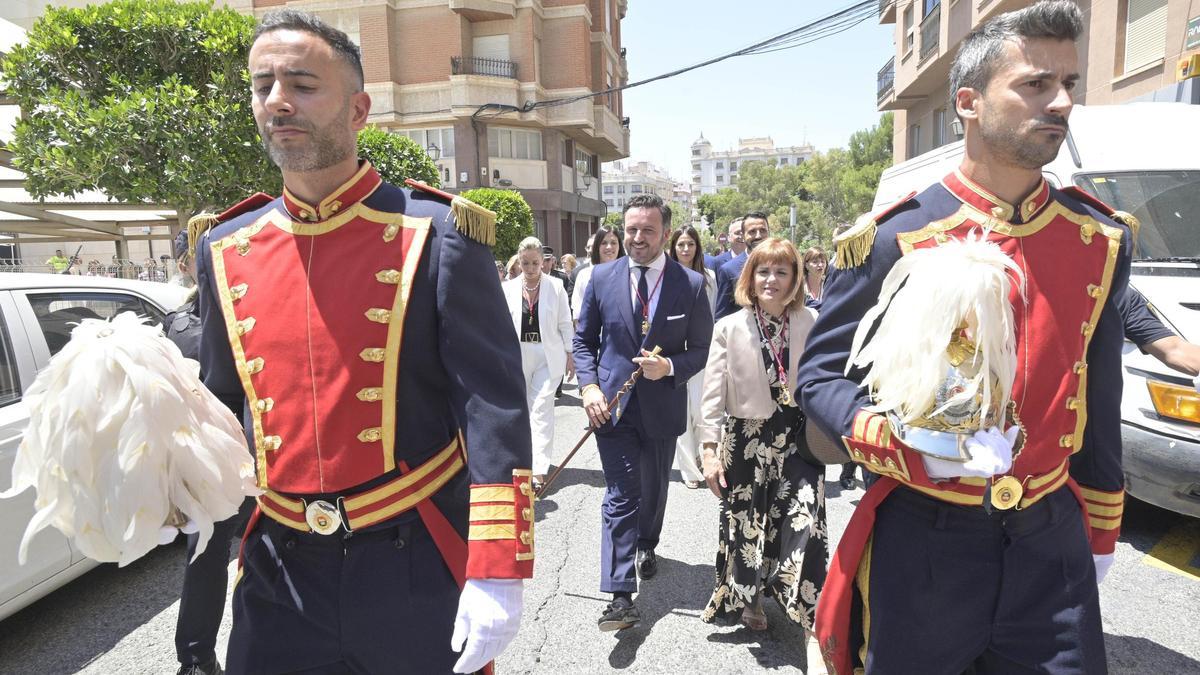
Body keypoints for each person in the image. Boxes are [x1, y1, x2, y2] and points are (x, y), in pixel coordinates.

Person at [193, 10, 532, 674]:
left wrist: (498, 569)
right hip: (278, 570)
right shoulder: (224, 246)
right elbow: (220, 409)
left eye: (301, 83)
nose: (277, 102)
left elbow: (492, 411)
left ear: (359, 109)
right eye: (262, 85)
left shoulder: (435, 233)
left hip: (410, 558)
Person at [798, 3, 1133, 672]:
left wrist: (1098, 528)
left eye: (1070, 83)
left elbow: (1097, 396)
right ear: (970, 102)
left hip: (1051, 543)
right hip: (925, 539)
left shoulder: (1099, 239)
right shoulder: (893, 236)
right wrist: (888, 439)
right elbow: (820, 377)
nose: (1062, 102)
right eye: (1037, 84)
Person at [573, 193, 713, 631]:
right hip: (611, 410)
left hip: (662, 408)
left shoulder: (689, 286)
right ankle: (619, 595)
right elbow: (583, 343)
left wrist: (669, 366)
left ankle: (647, 543)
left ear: (665, 234)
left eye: (647, 231)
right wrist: (590, 386)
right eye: (631, 229)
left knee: (652, 491)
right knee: (621, 494)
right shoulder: (598, 278)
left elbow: (703, 349)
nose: (636, 238)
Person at [698, 237, 827, 633]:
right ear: (750, 277)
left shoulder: (811, 322)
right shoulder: (729, 326)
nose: (771, 279)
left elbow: (825, 378)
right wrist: (708, 451)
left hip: (799, 437)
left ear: (795, 279)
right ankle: (750, 598)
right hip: (747, 438)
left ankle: (803, 603)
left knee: (804, 517)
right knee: (749, 521)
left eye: (781, 272)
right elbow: (712, 393)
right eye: (763, 271)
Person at [166, 228, 256, 675]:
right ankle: (201, 653)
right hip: (221, 456)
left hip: (237, 452)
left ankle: (201, 654)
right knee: (215, 554)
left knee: (217, 554)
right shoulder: (183, 322)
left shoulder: (180, 320)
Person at [504, 236, 574, 491]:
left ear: (543, 262)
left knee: (541, 410)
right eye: (526, 263)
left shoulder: (555, 287)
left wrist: (570, 353)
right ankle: (521, 461)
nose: (531, 269)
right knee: (521, 410)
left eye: (535, 263)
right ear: (519, 262)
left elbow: (565, 323)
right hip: (517, 356)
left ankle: (539, 468)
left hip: (547, 355)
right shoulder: (508, 288)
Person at [667, 225, 716, 489]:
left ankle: (702, 457)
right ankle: (688, 469)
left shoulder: (709, 276)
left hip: (702, 351)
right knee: (679, 412)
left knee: (701, 409)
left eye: (690, 244)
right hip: (674, 351)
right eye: (681, 245)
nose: (685, 249)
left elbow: (714, 314)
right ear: (673, 248)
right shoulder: (665, 276)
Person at [714, 213, 770, 320]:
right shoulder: (729, 270)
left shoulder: (781, 264)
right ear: (743, 235)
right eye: (752, 231)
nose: (758, 236)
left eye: (763, 230)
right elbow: (721, 317)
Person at [571, 225, 624, 321]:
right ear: (597, 247)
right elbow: (578, 314)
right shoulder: (584, 275)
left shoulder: (628, 274)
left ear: (619, 246)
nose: (609, 247)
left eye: (613, 243)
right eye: (604, 243)